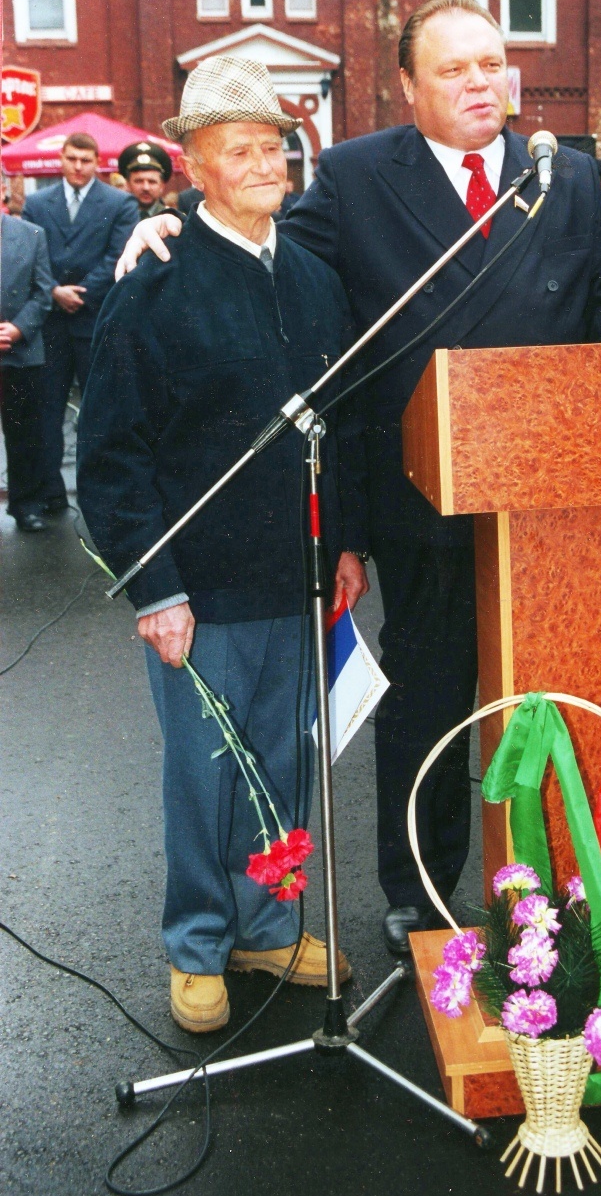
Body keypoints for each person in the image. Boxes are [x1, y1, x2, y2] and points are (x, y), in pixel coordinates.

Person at [116, 0, 601, 956]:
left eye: (492, 64)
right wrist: (163, 233)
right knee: (430, 698)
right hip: (423, 501)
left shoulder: (563, 177)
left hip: (560, 508)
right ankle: (418, 890)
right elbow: (264, 248)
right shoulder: (361, 176)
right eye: (454, 70)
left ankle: (577, 891)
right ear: (408, 88)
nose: (481, 83)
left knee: (559, 700)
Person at [76, 56, 369, 1032]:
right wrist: (153, 587)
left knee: (284, 763)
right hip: (198, 589)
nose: (263, 163)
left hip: (298, 575)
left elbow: (346, 422)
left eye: (273, 145)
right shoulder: (153, 281)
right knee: (206, 769)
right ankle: (198, 939)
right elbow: (111, 454)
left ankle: (268, 924)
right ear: (196, 168)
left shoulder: (317, 277)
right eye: (238, 149)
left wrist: (348, 545)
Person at [22, 133, 139, 516]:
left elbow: (119, 255)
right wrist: (54, 290)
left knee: (101, 410)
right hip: (51, 324)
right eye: (71, 158)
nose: (78, 166)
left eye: (85, 160)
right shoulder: (38, 203)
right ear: (61, 158)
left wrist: (81, 292)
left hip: (96, 321)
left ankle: (100, 495)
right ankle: (49, 494)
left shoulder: (119, 202)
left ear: (97, 162)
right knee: (46, 412)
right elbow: (30, 255)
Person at [0, 213, 55, 531]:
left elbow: (42, 290)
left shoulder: (32, 233)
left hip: (20, 351)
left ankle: (26, 505)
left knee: (25, 435)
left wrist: (18, 329)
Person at [118, 141, 183, 221]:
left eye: (152, 182)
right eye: (139, 181)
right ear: (128, 184)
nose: (146, 187)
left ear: (162, 185)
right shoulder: (117, 219)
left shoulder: (174, 219)